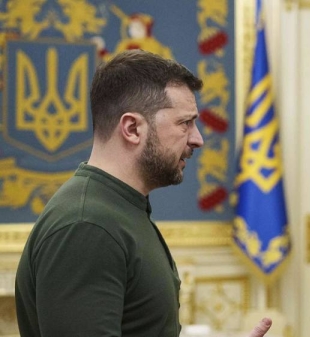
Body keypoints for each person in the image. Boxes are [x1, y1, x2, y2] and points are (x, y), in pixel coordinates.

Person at [15, 50, 272, 337]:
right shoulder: (87, 225)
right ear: (132, 128)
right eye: (184, 123)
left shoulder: (117, 208)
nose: (197, 139)